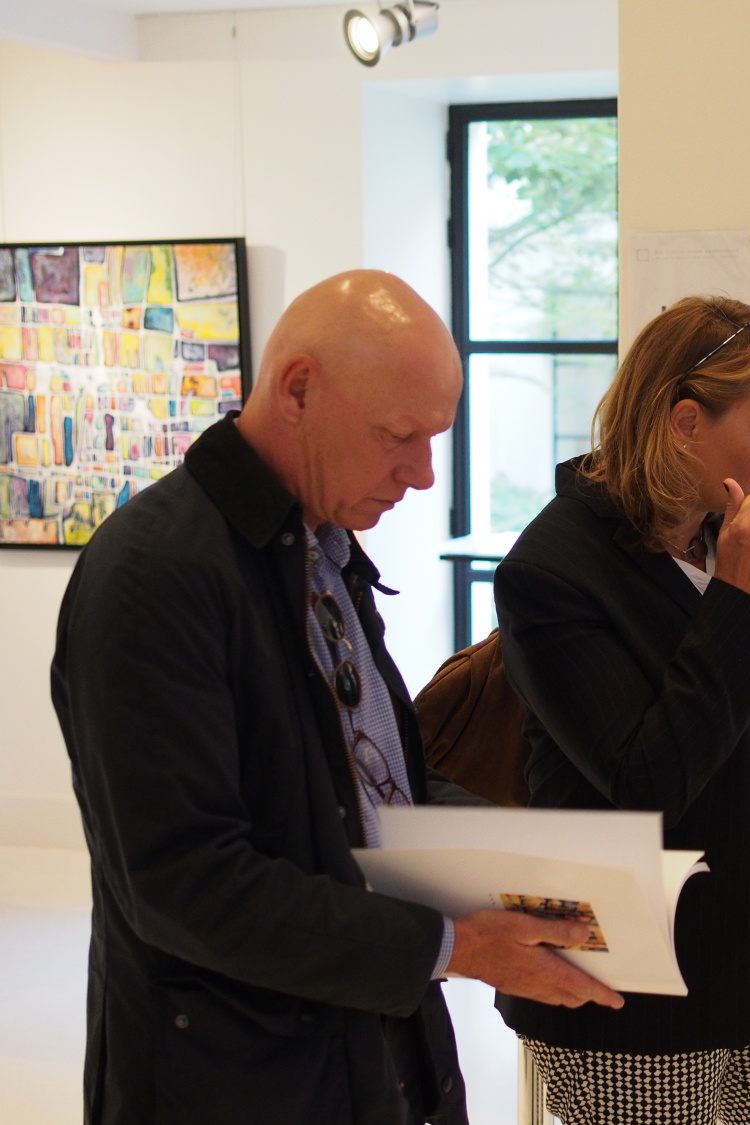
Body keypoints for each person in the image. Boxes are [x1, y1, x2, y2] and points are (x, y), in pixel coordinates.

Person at [51, 270, 622, 1125]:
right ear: (298, 389)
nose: (423, 474)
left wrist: (535, 860)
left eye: (435, 439)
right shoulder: (153, 578)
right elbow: (185, 883)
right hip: (233, 1077)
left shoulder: (322, 551)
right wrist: (453, 945)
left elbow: (372, 788)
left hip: (367, 1045)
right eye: (399, 435)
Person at [492, 295, 750, 1124]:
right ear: (686, 423)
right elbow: (647, 777)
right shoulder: (552, 570)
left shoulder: (725, 528)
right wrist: (740, 603)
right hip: (639, 950)